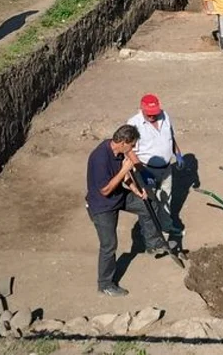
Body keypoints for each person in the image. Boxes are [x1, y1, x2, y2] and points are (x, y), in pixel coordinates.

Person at [85, 125, 165, 296]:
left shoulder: (119, 151)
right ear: (122, 142)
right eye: (132, 145)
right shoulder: (100, 158)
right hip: (102, 206)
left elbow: (126, 176)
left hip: (118, 196)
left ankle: (152, 244)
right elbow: (105, 190)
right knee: (109, 245)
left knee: (148, 204)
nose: (133, 149)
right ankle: (105, 284)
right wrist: (124, 170)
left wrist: (136, 190)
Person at [127, 94, 184, 233]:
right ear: (141, 108)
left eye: (155, 113)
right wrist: (142, 171)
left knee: (166, 198)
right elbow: (128, 150)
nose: (153, 116)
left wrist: (178, 153)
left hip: (166, 169)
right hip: (146, 169)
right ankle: (151, 233)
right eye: (149, 114)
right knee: (148, 203)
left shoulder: (164, 116)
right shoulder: (133, 124)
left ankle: (166, 226)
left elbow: (170, 136)